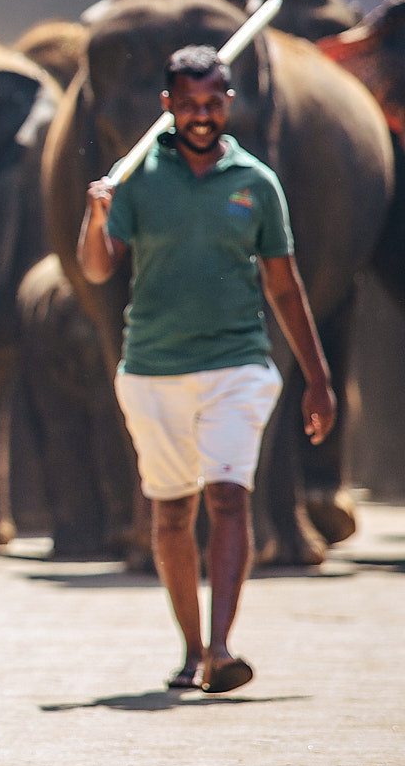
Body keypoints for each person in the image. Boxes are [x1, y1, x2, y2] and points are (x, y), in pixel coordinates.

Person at [77, 44, 335, 695]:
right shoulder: (139, 179)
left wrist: (318, 376)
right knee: (170, 512)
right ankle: (192, 649)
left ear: (229, 102)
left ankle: (222, 646)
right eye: (187, 103)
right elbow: (98, 266)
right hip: (153, 369)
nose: (201, 114)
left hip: (237, 365)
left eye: (212, 101)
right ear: (168, 106)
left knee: (227, 495)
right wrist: (96, 214)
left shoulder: (255, 182)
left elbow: (284, 286)